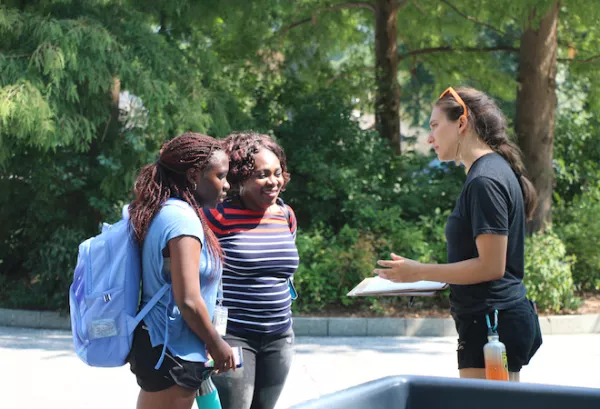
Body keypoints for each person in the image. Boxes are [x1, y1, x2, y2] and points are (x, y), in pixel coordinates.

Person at [374, 87, 543, 381]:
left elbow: (491, 266)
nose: (430, 138)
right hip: (492, 321)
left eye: (435, 126)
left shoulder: (485, 180)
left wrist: (419, 272)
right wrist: (424, 276)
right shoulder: (490, 172)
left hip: (492, 323)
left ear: (462, 123)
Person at [126, 133, 235, 409]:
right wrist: (216, 344)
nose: (227, 185)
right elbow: (187, 299)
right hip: (171, 352)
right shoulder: (183, 221)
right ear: (194, 175)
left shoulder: (168, 211)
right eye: (220, 176)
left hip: (166, 348)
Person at [202, 131, 299, 409]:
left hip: (280, 336)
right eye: (262, 174)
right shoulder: (216, 216)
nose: (273, 181)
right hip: (233, 336)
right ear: (240, 178)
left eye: (277, 173)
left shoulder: (285, 214)